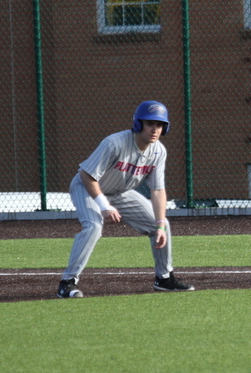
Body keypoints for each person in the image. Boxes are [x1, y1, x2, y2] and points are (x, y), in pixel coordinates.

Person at [57, 100, 195, 298]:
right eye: (150, 124)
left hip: (120, 192)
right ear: (138, 124)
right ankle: (67, 282)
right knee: (93, 226)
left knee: (161, 222)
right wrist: (103, 205)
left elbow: (157, 190)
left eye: (159, 125)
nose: (155, 129)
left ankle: (164, 278)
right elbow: (86, 175)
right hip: (86, 188)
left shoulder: (158, 151)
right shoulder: (115, 143)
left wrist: (159, 225)